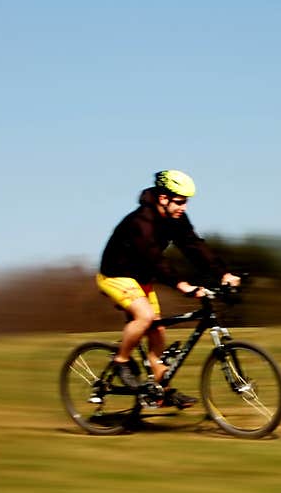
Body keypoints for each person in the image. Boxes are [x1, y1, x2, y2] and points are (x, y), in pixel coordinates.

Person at [96, 169, 240, 408]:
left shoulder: (176, 219)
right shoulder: (142, 221)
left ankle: (161, 392)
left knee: (158, 332)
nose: (184, 207)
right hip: (115, 275)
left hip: (141, 278)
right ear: (164, 198)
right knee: (146, 316)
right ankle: (121, 361)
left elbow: (194, 246)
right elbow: (153, 258)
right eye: (180, 202)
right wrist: (181, 284)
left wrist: (223, 272)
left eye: (186, 202)